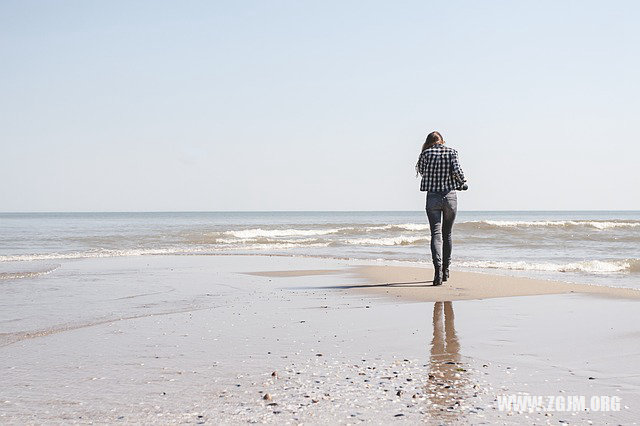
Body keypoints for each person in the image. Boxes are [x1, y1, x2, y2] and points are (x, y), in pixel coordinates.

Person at [415, 131, 466, 286]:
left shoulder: (425, 153)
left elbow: (422, 171)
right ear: (442, 141)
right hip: (450, 197)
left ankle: (437, 271)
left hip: (433, 197)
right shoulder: (451, 152)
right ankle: (446, 270)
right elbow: (457, 171)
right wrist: (463, 182)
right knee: (447, 234)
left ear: (429, 142)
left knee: (436, 235)